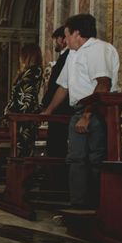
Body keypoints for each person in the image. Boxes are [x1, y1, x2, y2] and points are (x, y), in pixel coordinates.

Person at [42, 13, 119, 209]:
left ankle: (99, 206)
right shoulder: (73, 54)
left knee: (95, 158)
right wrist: (48, 111)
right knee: (75, 158)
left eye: (67, 35)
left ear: (77, 33)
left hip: (97, 111)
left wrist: (87, 115)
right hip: (78, 110)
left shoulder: (98, 49)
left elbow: (103, 84)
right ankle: (77, 206)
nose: (65, 40)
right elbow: (63, 87)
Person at [3, 43, 44, 157]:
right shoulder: (26, 71)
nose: (20, 59)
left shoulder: (35, 71)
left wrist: (13, 110)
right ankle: (18, 172)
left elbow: (28, 95)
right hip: (18, 115)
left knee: (24, 149)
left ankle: (24, 173)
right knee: (17, 149)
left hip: (25, 115)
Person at [42, 26, 73, 157]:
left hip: (62, 107)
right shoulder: (65, 56)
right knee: (55, 144)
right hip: (58, 106)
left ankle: (57, 175)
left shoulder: (68, 56)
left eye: (55, 39)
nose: (54, 43)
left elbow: (61, 85)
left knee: (57, 146)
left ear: (62, 39)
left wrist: (48, 106)